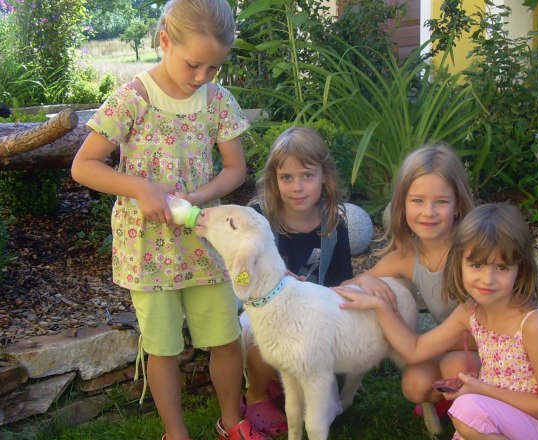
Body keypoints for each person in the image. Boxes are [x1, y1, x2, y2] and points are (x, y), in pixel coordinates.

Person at [70, 1, 267, 439]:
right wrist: (140, 188)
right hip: (149, 248)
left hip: (205, 242)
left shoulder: (217, 101)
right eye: (194, 63)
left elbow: (234, 168)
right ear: (164, 42)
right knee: (162, 346)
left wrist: (198, 195)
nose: (202, 77)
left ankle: (232, 422)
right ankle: (175, 432)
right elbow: (84, 166)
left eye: (213, 68)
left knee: (224, 336)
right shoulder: (133, 99)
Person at [338, 203, 538, 439]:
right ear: (459, 264)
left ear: (520, 269)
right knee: (469, 412)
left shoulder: (534, 324)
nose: (487, 279)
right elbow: (414, 351)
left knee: (467, 410)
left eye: (502, 268)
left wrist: (481, 389)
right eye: (477, 265)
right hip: (502, 416)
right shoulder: (470, 311)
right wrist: (382, 308)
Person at [336, 144, 476, 419]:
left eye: (441, 201)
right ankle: (451, 397)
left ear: (458, 203)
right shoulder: (408, 255)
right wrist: (365, 279)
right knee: (415, 385)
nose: (429, 212)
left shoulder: (474, 250)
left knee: (457, 364)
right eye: (417, 201)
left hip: (493, 348)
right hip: (448, 344)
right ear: (401, 204)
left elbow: (489, 326)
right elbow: (350, 283)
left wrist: (425, 346)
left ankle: (479, 411)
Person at [240, 126, 354, 436]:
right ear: (274, 181)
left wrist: (314, 296)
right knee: (261, 337)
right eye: (286, 178)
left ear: (324, 177)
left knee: (329, 398)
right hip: (264, 310)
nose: (298, 187)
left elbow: (341, 283)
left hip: (309, 314)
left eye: (307, 175)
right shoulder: (259, 218)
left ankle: (292, 388)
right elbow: (239, 275)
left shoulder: (333, 223)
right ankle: (258, 395)